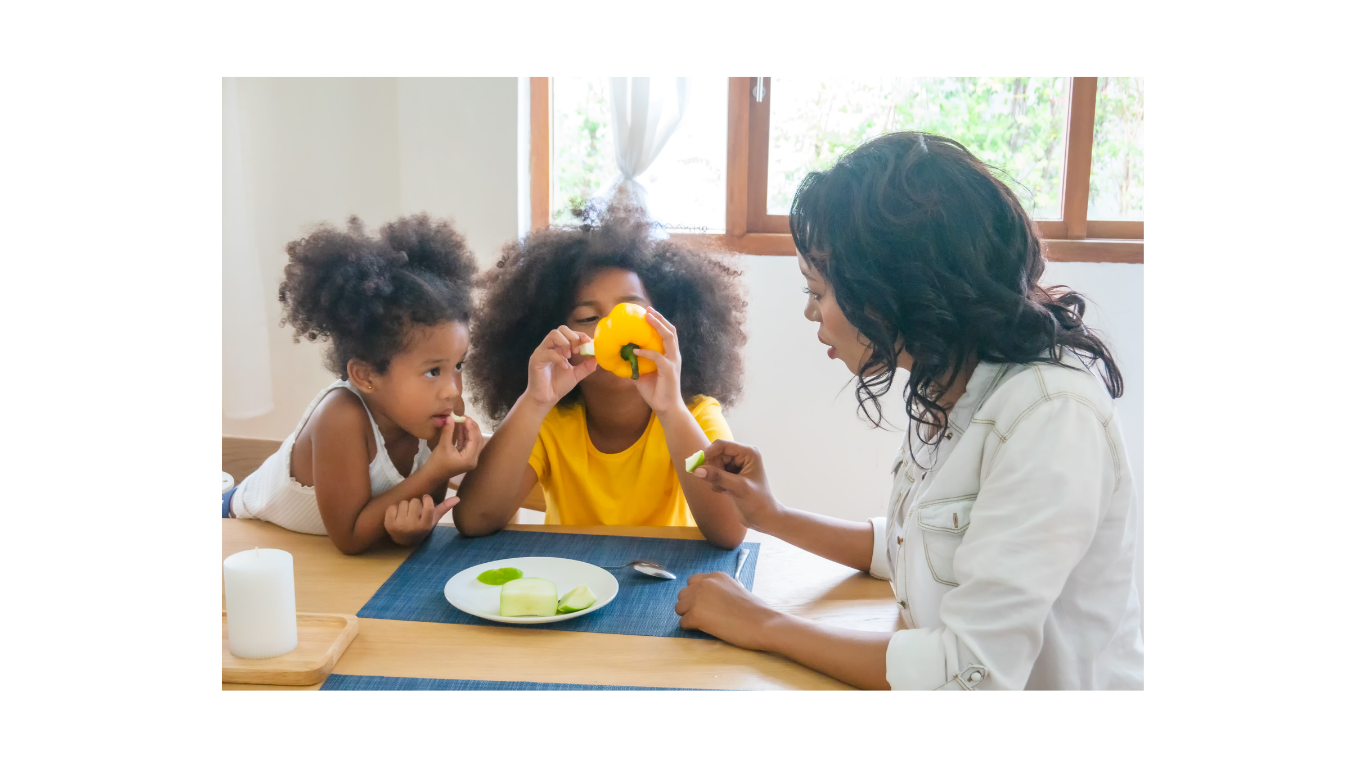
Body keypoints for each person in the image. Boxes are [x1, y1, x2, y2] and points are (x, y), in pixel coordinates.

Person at [675, 132, 1144, 690]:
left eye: (818, 291)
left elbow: (971, 675)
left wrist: (762, 624)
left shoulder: (1050, 417)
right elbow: (912, 548)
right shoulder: (953, 378)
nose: (809, 312)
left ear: (894, 288)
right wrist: (772, 516)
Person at [455, 205, 748, 549]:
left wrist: (671, 411)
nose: (611, 328)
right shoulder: (551, 422)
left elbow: (730, 532)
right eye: (588, 317)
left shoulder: (695, 415)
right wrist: (534, 402)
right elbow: (473, 520)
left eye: (631, 311)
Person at [224, 214, 485, 555]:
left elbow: (414, 511)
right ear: (366, 376)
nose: (453, 389)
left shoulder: (440, 413)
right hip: (233, 529)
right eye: (434, 371)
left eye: (458, 366)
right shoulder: (341, 417)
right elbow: (350, 537)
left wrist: (412, 530)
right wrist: (437, 469)